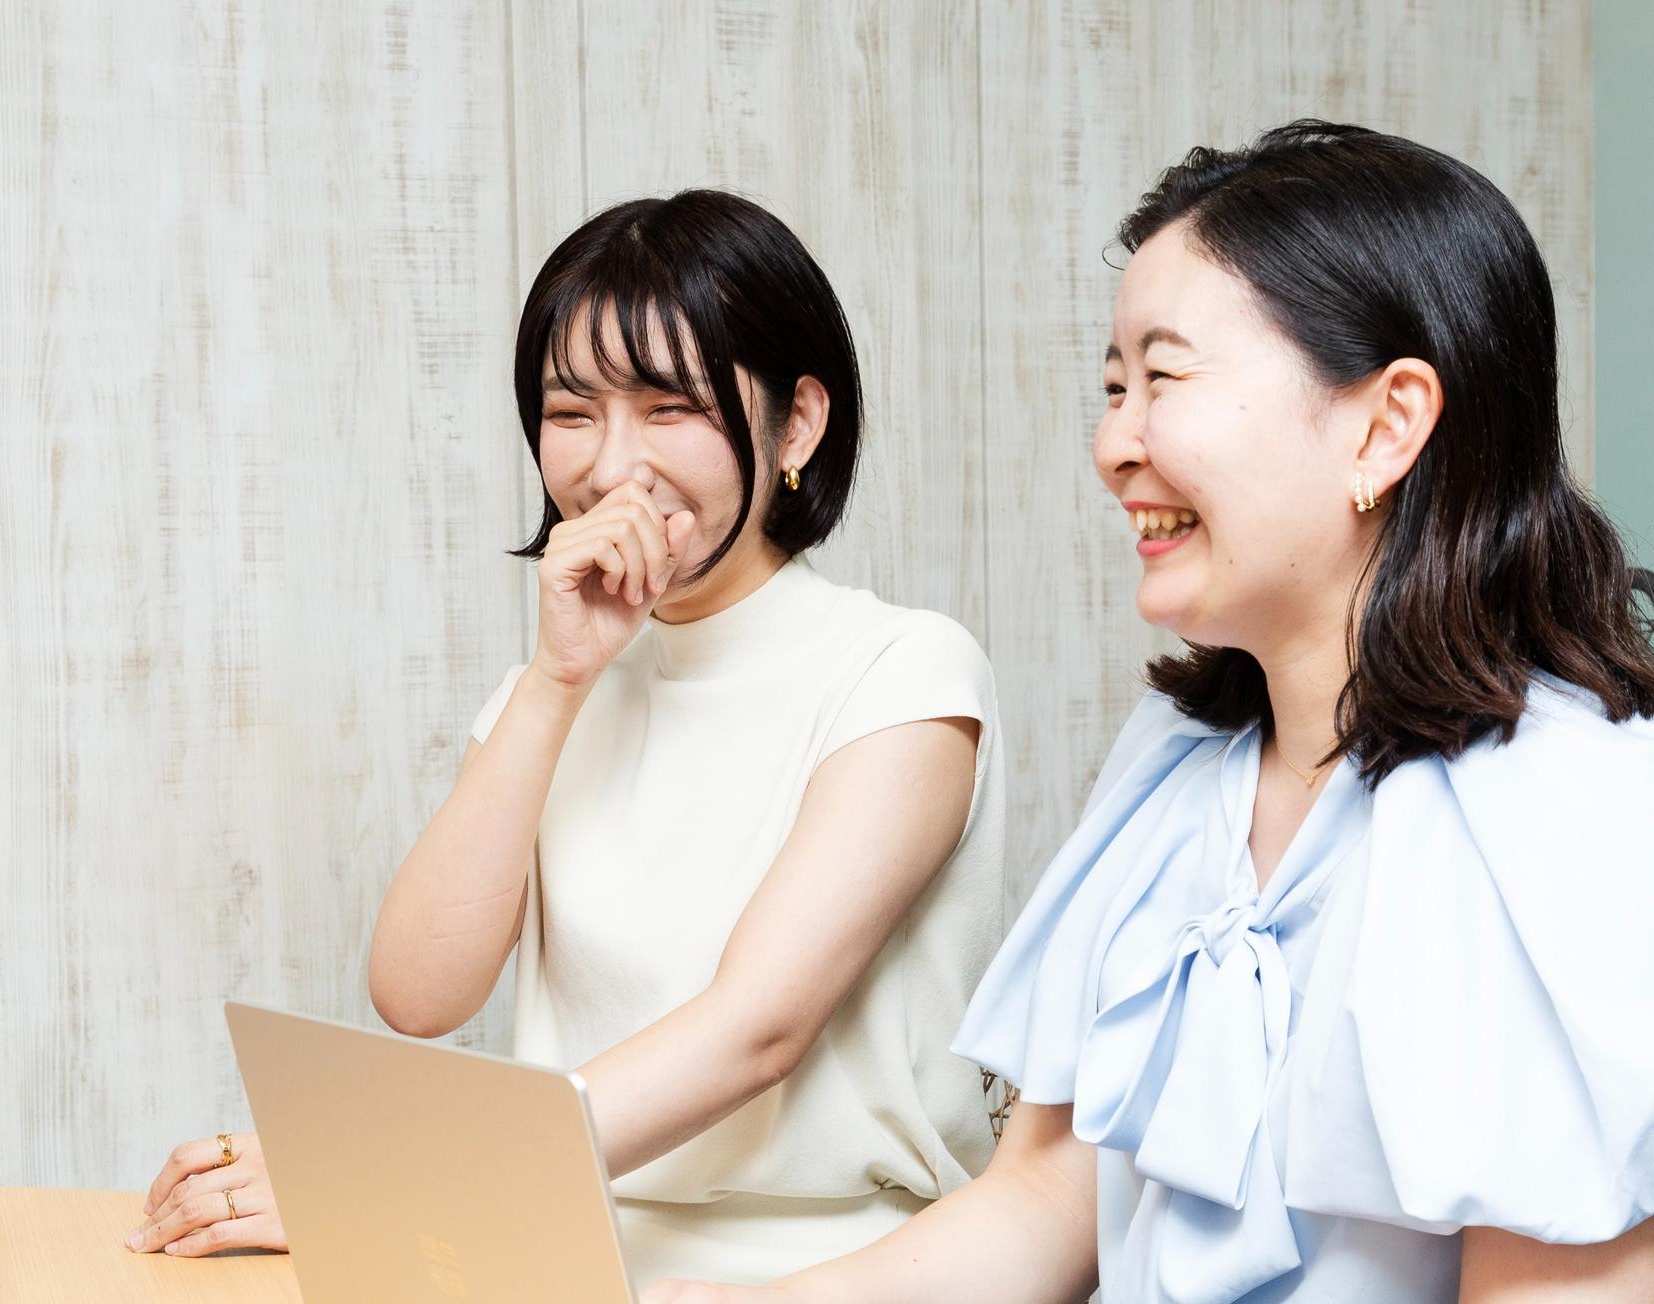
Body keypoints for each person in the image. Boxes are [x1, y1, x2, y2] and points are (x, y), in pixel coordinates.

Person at [647, 121, 1654, 1302]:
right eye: (1113, 387)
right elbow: (1042, 1203)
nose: (1114, 444)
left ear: (1385, 426)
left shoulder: (1573, 813)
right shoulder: (1177, 767)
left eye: (1163, 378)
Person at [127, 189, 1010, 1285]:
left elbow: (757, 1029)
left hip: (838, 1265)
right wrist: (555, 681)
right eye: (572, 412)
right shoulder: (551, 690)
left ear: (796, 424)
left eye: (670, 408)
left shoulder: (903, 673)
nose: (610, 467)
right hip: (551, 1240)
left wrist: (396, 1169)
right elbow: (418, 994)